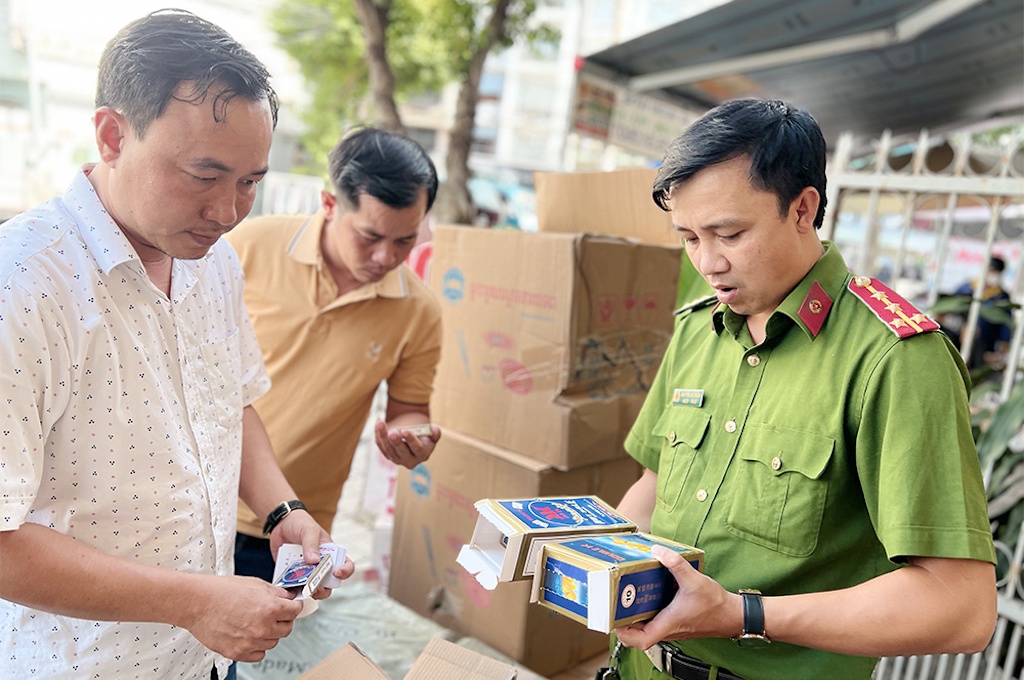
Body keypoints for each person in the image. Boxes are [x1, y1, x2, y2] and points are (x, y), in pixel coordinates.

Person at [0, 11, 353, 680]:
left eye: (250, 182)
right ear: (112, 135)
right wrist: (192, 601)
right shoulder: (23, 283)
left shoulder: (212, 260)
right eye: (203, 175)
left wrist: (285, 511)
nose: (227, 212)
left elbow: (232, 403)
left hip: (199, 661)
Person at [612, 99, 997, 680]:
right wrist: (602, 570)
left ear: (803, 208)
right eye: (689, 237)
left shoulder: (894, 358)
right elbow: (654, 483)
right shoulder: (698, 328)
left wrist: (741, 615)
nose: (708, 262)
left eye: (729, 233)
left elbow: (961, 606)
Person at [227, 127, 442, 583]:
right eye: (369, 236)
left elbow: (408, 411)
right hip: (195, 501)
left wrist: (410, 438)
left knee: (257, 649)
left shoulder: (419, 312)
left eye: (405, 241)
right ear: (328, 204)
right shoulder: (247, 247)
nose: (386, 256)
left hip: (292, 529)